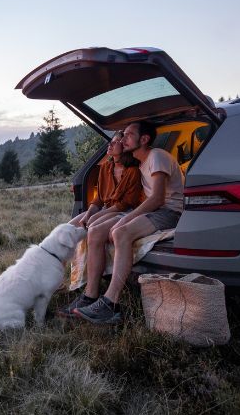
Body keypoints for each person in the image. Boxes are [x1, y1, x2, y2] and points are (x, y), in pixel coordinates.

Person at [65, 120, 185, 324]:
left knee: (121, 233)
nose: (123, 139)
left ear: (144, 139)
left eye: (128, 135)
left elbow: (157, 199)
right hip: (153, 209)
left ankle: (111, 303)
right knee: (96, 231)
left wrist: (126, 219)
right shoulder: (140, 162)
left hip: (169, 212)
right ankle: (90, 295)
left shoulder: (157, 156)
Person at [69, 130, 143, 229]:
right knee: (68, 227)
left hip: (124, 212)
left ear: (125, 146)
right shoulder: (105, 167)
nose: (110, 143)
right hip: (106, 209)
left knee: (93, 226)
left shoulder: (133, 171)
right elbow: (99, 198)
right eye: (111, 141)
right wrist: (88, 214)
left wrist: (98, 215)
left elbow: (126, 204)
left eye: (116, 141)